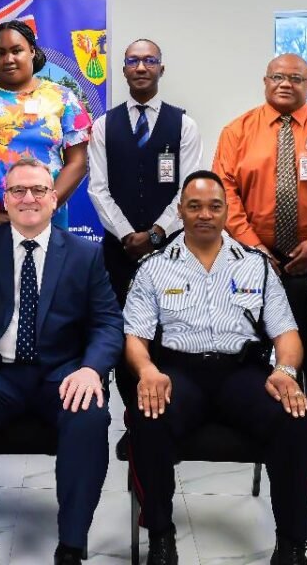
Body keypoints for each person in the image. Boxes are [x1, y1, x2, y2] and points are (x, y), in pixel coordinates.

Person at [0, 158, 123, 565]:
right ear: (4, 200)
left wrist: (91, 370)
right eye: (18, 190)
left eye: (39, 190)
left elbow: (108, 322)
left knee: (90, 416)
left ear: (54, 199)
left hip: (62, 376)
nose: (28, 198)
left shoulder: (84, 254)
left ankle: (72, 544)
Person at [124, 170, 307, 565]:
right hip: (178, 373)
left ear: (227, 211)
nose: (204, 215)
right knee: (147, 417)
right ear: (181, 211)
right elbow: (136, 339)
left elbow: (287, 335)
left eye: (214, 206)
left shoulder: (255, 266)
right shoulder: (154, 267)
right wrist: (147, 371)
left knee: (296, 418)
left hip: (241, 373)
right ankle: (160, 536)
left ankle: (293, 545)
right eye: (194, 206)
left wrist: (286, 373)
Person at [213, 53, 307, 378]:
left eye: (296, 79)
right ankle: (262, 414)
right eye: (277, 77)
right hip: (250, 261)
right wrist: (254, 247)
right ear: (265, 82)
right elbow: (223, 192)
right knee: (250, 349)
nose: (285, 84)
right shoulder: (236, 131)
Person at [87, 38, 204, 439]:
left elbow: (187, 189)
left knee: (166, 331)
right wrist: (126, 235)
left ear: (161, 69)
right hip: (117, 253)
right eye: (133, 61)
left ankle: (165, 416)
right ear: (123, 70)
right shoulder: (103, 125)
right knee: (124, 333)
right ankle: (133, 424)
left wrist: (155, 233)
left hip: (170, 250)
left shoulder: (183, 125)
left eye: (149, 60)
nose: (141, 67)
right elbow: (97, 188)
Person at [0, 20, 92, 232]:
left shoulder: (62, 97)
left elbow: (78, 162)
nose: (8, 59)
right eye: (0, 53)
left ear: (31, 51)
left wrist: (46, 208)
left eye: (16, 51)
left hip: (48, 222)